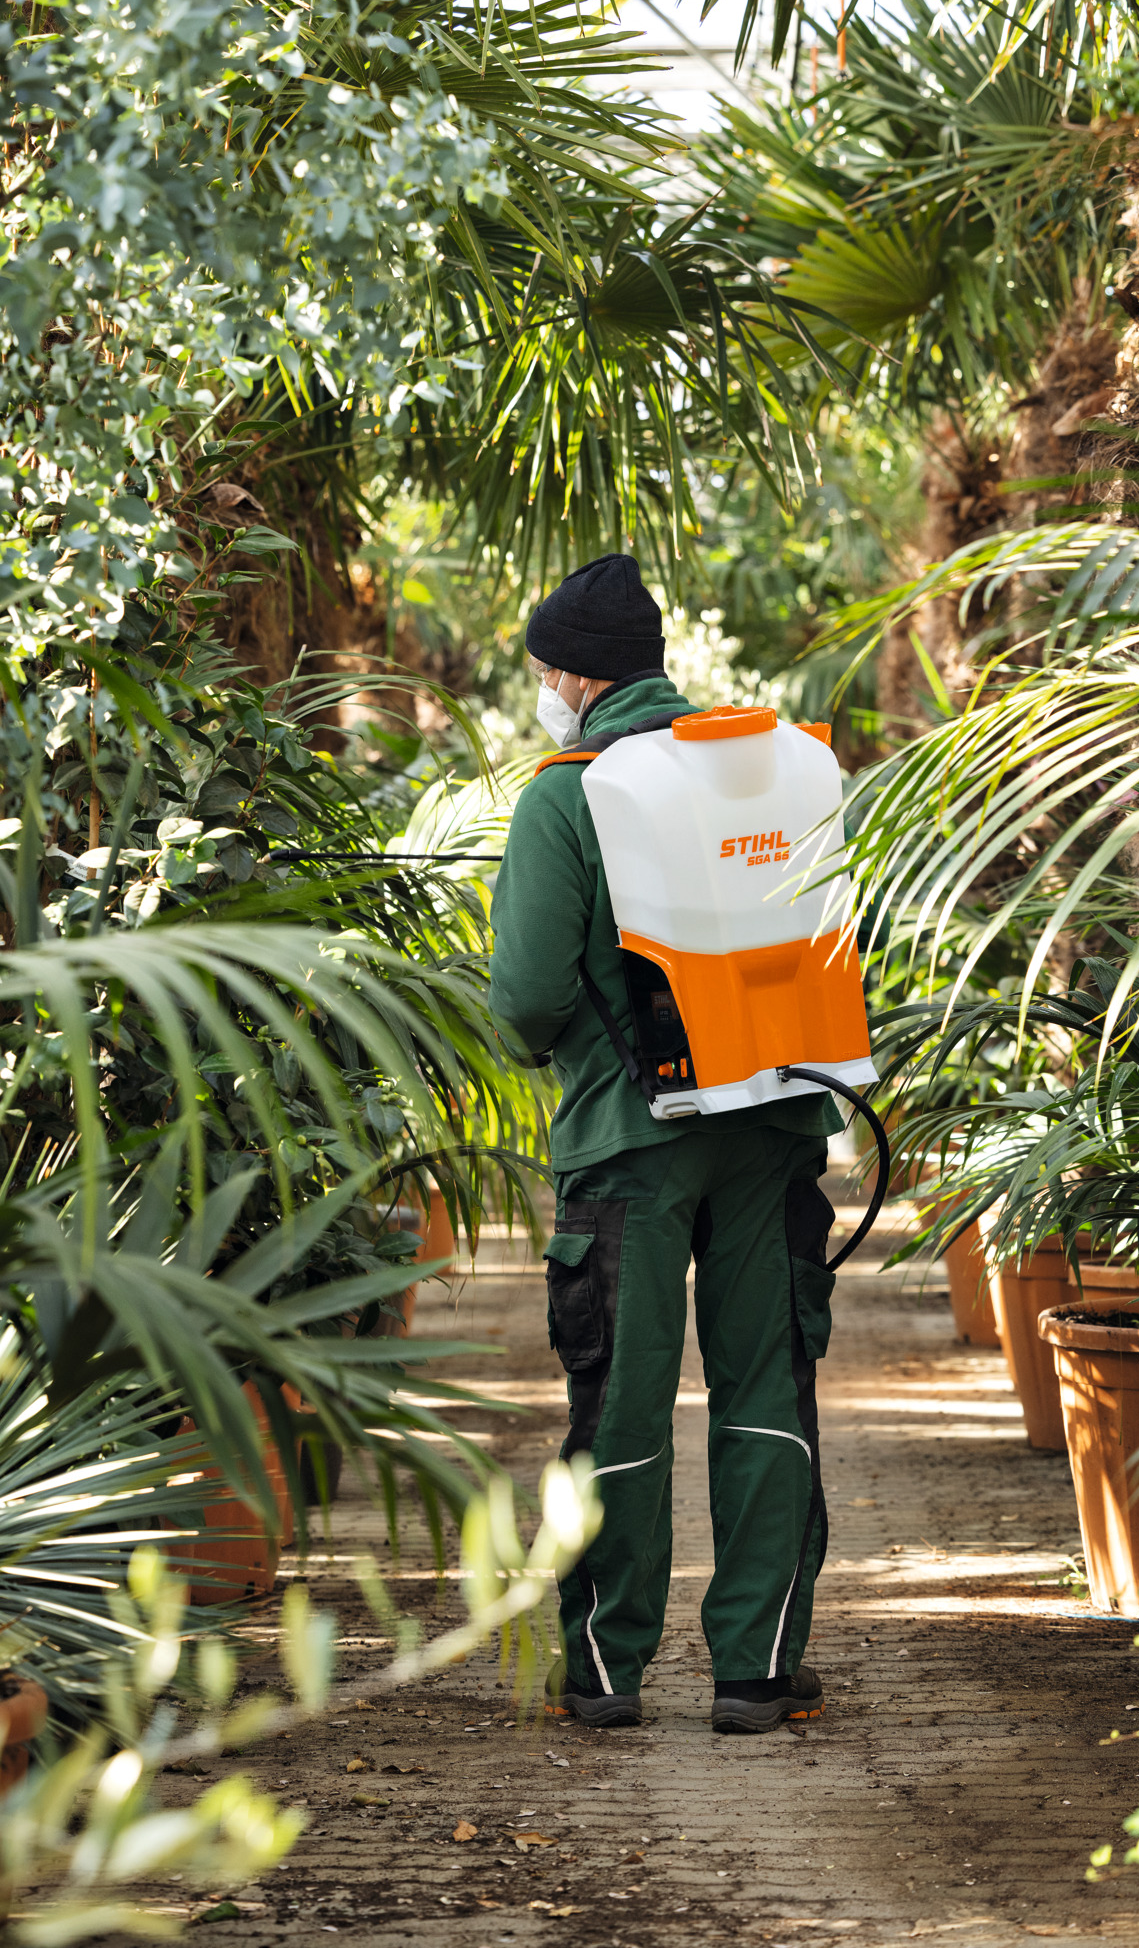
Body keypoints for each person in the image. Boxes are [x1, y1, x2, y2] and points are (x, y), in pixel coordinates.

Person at [488, 551, 843, 1735]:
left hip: (628, 1143)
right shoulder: (767, 768)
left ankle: (606, 1669)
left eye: (546, 673)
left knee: (622, 1404)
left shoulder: (565, 794)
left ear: (577, 678)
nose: (545, 691)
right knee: (765, 1389)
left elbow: (528, 1000)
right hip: (775, 1125)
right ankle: (755, 1668)